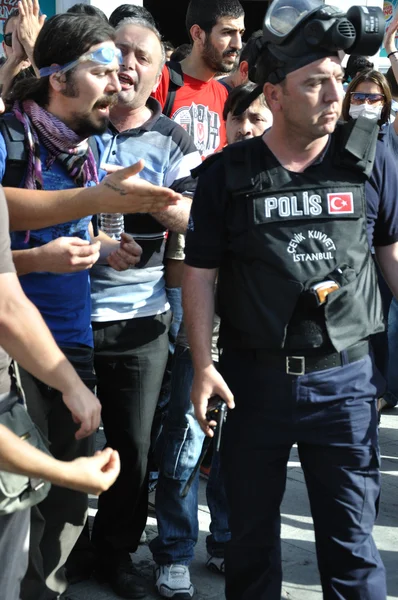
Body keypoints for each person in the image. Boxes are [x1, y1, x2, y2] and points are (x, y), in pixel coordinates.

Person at [182, 0, 396, 597]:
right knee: (249, 548)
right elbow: (200, 272)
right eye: (315, 84)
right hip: (254, 383)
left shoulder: (372, 158)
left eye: (339, 80)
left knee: (353, 550)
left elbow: (391, 256)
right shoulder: (227, 174)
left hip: (346, 384)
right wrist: (202, 365)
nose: (335, 96)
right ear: (273, 94)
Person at [1, 12, 121, 600]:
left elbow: (75, 228)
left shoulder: (85, 149)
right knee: (13, 497)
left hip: (71, 341)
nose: (118, 85)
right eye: (103, 71)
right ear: (58, 77)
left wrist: (104, 245)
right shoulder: (9, 139)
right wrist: (37, 260)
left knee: (69, 501)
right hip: (13, 349)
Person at [87, 16, 200, 600]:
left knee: (132, 448)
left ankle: (115, 553)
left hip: (140, 318)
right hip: (63, 317)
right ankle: (55, 546)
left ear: (160, 73)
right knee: (58, 442)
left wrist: (153, 201)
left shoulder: (174, 139)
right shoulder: (72, 121)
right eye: (118, 51)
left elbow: (194, 219)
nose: (127, 65)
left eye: (142, 57)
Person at [150, 81, 273, 599]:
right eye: (240, 118)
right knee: (185, 442)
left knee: (233, 451)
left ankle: (223, 541)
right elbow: (188, 265)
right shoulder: (210, 177)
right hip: (202, 337)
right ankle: (175, 551)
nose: (247, 128)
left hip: (255, 342)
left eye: (258, 120)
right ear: (224, 123)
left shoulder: (290, 181)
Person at [0, 1, 43, 102]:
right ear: (4, 47)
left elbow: (56, 97)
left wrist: (31, 49)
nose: (21, 44)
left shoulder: (58, 69)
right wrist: (16, 58)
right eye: (11, 39)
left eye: (30, 36)